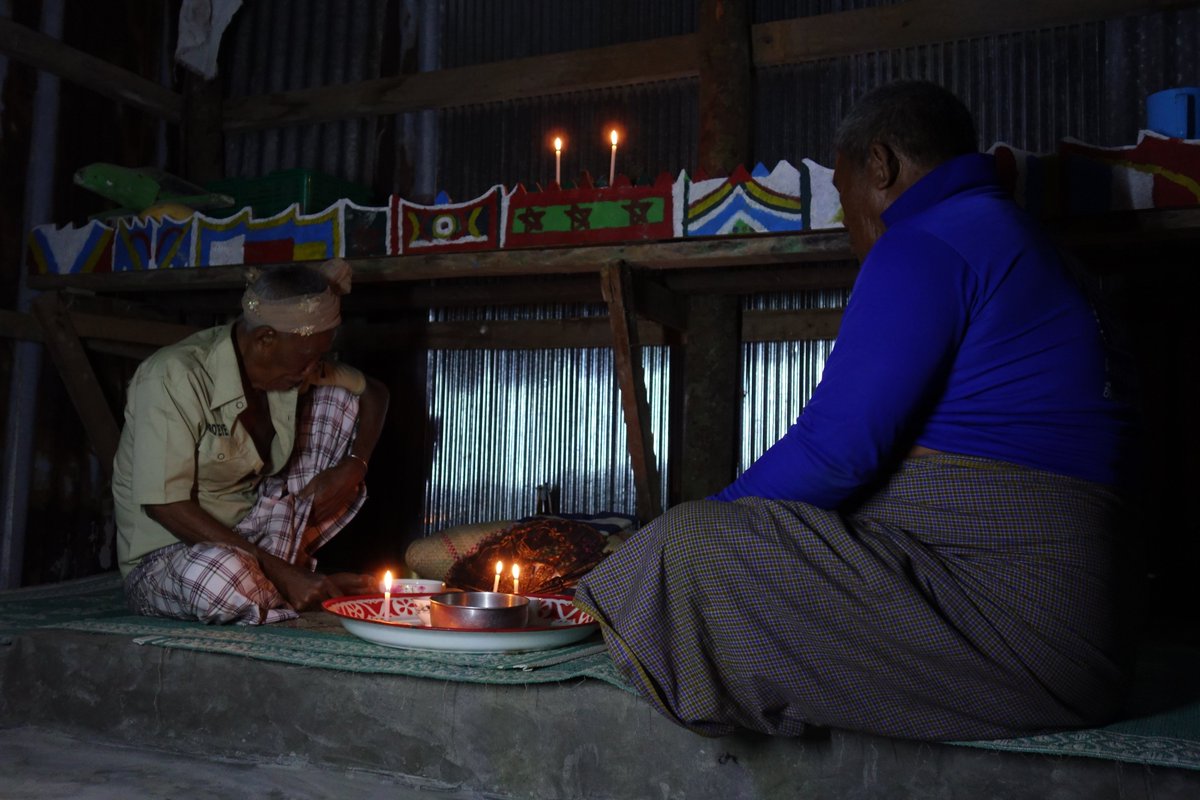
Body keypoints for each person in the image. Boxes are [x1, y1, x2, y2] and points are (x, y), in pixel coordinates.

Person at [574, 81, 1133, 741]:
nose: (848, 229)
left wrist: (677, 537)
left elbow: (834, 455)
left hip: (1015, 626)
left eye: (844, 198)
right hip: (1092, 633)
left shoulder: (929, 240)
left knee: (685, 548)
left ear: (881, 166)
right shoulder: (1032, 246)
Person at [112, 259, 390, 624]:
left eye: (319, 357)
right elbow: (165, 507)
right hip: (173, 557)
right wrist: (282, 573)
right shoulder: (173, 376)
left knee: (340, 399)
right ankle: (289, 586)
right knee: (215, 579)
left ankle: (279, 585)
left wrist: (356, 464)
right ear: (265, 339)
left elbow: (375, 392)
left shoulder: (291, 369)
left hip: (253, 543)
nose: (313, 368)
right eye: (307, 358)